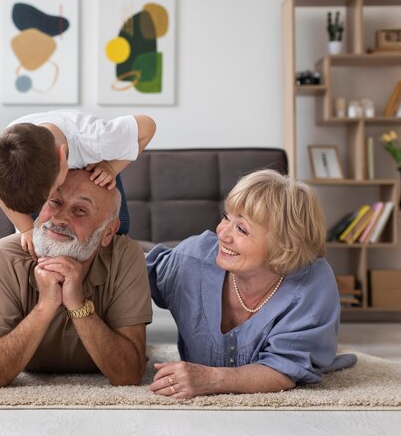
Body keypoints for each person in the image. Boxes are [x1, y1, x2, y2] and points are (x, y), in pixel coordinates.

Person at [146, 169, 357, 399]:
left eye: (241, 229)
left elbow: (282, 369)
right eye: (226, 217)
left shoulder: (312, 284)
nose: (222, 234)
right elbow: (133, 277)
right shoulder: (192, 259)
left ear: (284, 243)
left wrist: (211, 379)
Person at [0, 169, 152, 387]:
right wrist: (45, 307)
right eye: (55, 202)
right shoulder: (5, 255)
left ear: (107, 233)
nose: (59, 218)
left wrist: (76, 303)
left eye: (80, 210)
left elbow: (129, 375)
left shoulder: (126, 256)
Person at [0, 109, 156, 259]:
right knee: (35, 246)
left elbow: (147, 126)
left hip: (93, 165)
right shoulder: (4, 160)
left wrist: (111, 167)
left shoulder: (97, 140)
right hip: (34, 163)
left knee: (115, 235)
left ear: (62, 157)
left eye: (51, 194)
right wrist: (26, 229)